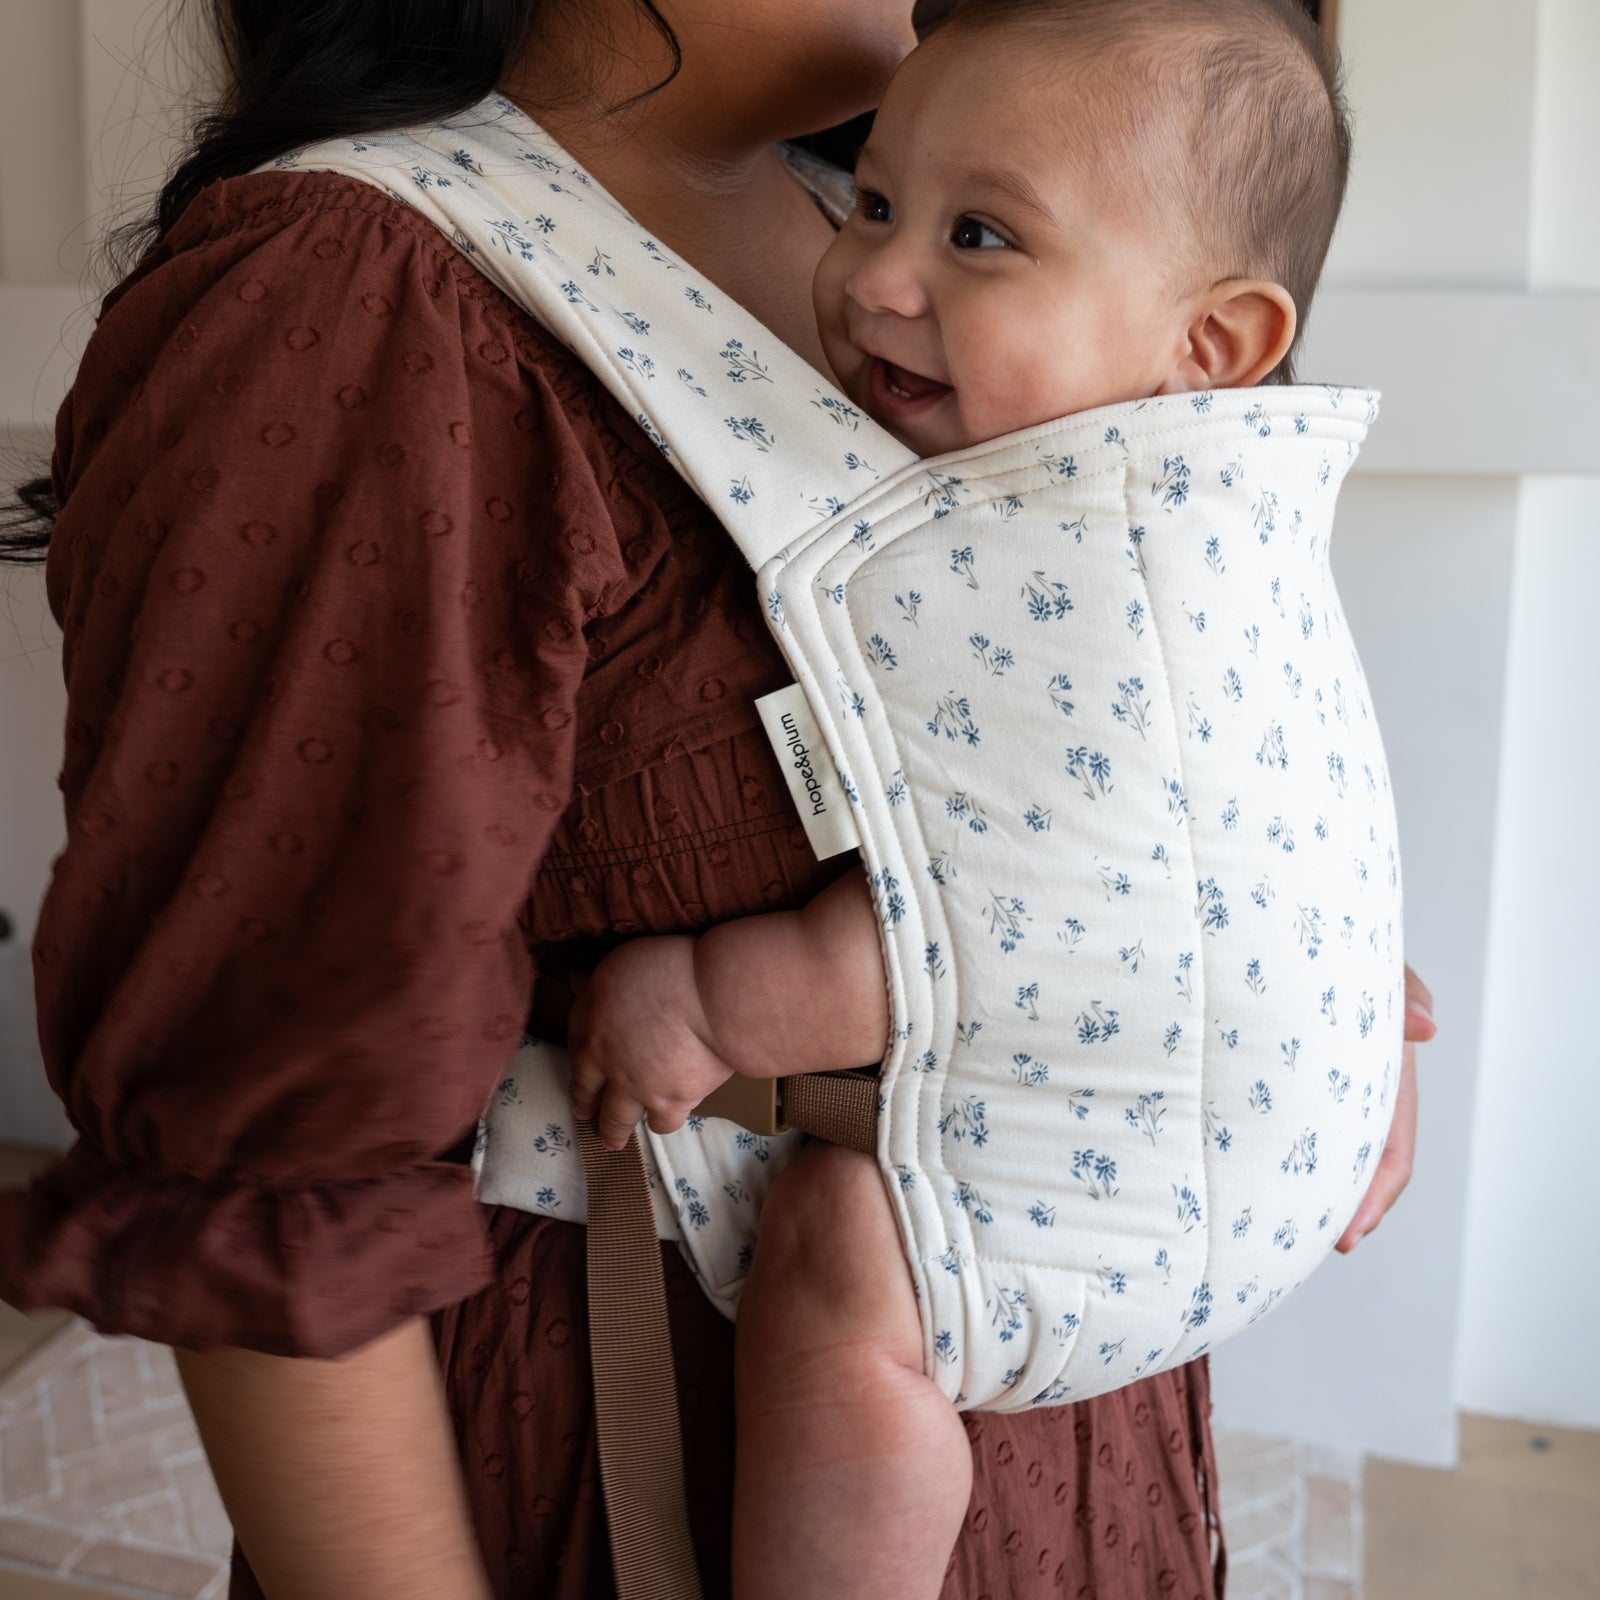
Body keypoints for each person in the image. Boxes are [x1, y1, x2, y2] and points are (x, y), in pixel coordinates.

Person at [0, 2, 1432, 1598]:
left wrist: (1297, 987)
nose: (901, 263)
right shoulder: (366, 292)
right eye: (912, 219)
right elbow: (268, 1157)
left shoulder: (876, 206)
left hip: (1057, 1430)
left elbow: (1127, 712)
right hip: (647, 1463)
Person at [561, 2, 1433, 1596]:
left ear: (1212, 345)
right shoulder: (1195, 498)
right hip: (1279, 1115)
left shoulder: (1082, 570)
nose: (877, 275)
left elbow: (985, 913)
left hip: (1183, 1139)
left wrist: (706, 999)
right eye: (878, 202)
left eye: (980, 236)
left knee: (842, 1270)